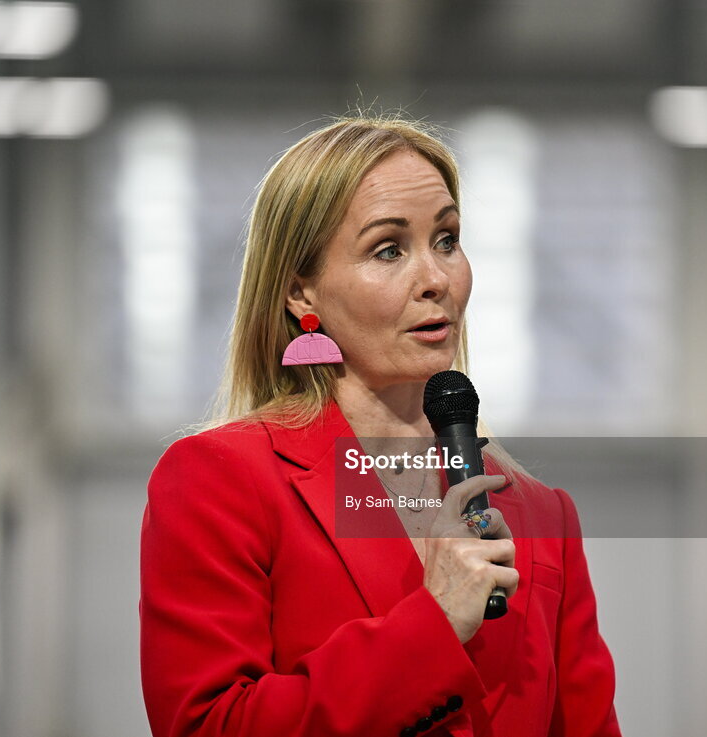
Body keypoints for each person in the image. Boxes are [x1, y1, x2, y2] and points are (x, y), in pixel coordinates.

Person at [139, 114, 621, 737]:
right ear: (300, 294)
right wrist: (434, 624)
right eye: (388, 249)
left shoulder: (543, 516)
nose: (437, 280)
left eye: (446, 239)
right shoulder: (219, 482)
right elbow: (209, 726)